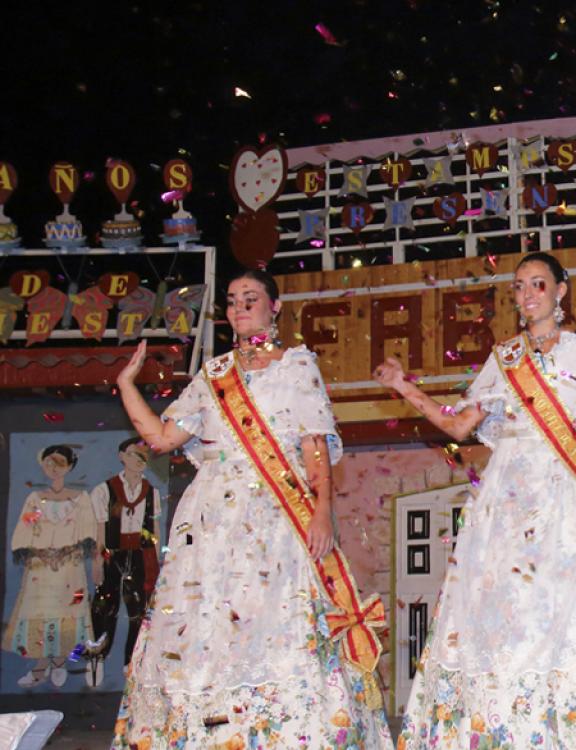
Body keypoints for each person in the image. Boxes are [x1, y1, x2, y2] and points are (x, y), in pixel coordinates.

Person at [377, 252, 576, 750]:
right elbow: (458, 425)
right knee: (505, 605)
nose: (528, 295)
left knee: (571, 605)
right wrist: (402, 386)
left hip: (568, 492)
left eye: (538, 284)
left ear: (561, 291)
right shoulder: (506, 358)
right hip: (508, 497)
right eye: (520, 286)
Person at [110, 268, 391, 748]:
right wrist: (125, 383)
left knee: (272, 616)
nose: (240, 309)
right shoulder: (214, 374)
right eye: (233, 301)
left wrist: (322, 511)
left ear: (275, 307)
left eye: (251, 299)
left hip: (273, 515)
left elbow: (312, 445)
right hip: (209, 520)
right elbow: (160, 438)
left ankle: (283, 731)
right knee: (204, 621)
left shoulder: (296, 366)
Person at [4, 444, 97, 689]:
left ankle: (61, 663)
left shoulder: (80, 499)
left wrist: (70, 551)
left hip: (69, 568)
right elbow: (25, 528)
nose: (53, 469)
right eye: (48, 463)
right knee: (38, 613)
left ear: (69, 466)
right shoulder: (35, 499)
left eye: (59, 463)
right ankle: (39, 666)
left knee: (68, 612)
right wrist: (35, 552)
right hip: (40, 568)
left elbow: (89, 531)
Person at [87, 437, 163, 686]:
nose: (139, 461)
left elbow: (153, 529)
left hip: (140, 555)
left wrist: (157, 560)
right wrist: (98, 560)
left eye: (143, 457)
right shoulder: (104, 490)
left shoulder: (151, 491)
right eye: (134, 455)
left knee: (138, 611)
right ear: (121, 456)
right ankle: (97, 657)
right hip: (113, 552)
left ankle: (131, 662)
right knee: (105, 606)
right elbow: (100, 528)